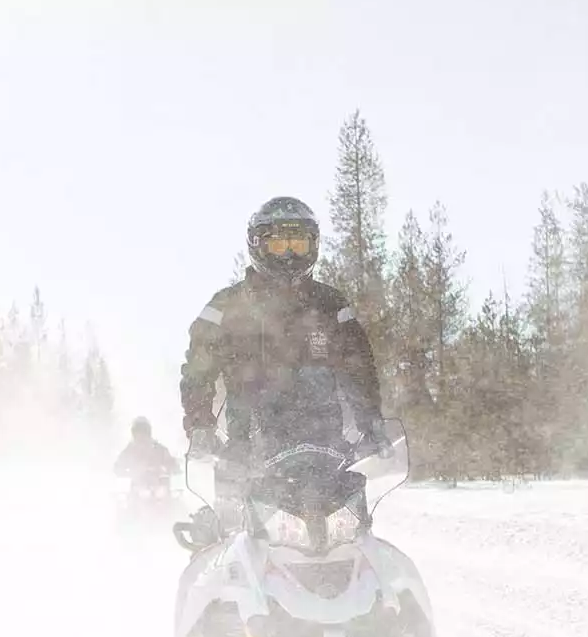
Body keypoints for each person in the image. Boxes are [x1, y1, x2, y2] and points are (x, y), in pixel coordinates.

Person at [178, 196, 387, 468]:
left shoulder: (331, 305)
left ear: (312, 246)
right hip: (249, 458)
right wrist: (200, 426)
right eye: (279, 245)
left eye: (298, 245)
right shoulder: (227, 307)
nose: (289, 255)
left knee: (352, 503)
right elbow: (197, 369)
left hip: (327, 454)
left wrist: (371, 422)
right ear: (258, 245)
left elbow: (359, 367)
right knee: (227, 502)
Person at [113, 416, 176, 487]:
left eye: (144, 431)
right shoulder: (129, 450)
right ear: (133, 433)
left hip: (157, 487)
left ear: (148, 432)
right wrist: (130, 472)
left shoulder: (159, 449)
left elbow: (172, 464)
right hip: (136, 487)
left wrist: (164, 469)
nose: (141, 434)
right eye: (138, 431)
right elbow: (117, 467)